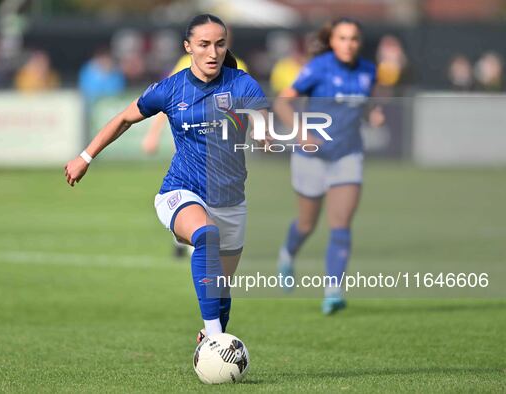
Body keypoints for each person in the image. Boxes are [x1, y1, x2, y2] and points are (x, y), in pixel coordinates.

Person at [65, 14, 268, 341]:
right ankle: (216, 338)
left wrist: (263, 134)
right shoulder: (171, 89)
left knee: (220, 289)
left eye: (219, 44)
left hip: (230, 199)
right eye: (204, 45)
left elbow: (262, 122)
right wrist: (85, 156)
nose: (213, 52)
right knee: (207, 236)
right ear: (188, 47)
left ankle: (210, 335)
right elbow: (124, 118)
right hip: (181, 190)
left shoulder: (242, 83)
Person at [274, 18, 380, 315]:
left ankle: (333, 291)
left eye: (354, 38)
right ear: (332, 41)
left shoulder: (368, 71)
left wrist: (375, 115)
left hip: (347, 155)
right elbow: (283, 102)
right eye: (342, 38)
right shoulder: (319, 67)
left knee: (341, 225)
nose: (349, 44)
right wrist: (300, 132)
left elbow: (368, 104)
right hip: (311, 157)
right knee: (307, 224)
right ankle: (287, 253)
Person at [140, 28, 249, 260]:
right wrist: (154, 133)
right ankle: (191, 236)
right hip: (190, 132)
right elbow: (169, 98)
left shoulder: (239, 66)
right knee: (186, 180)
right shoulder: (185, 63)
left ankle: (189, 234)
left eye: (219, 42)